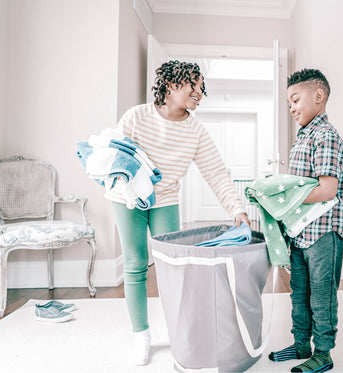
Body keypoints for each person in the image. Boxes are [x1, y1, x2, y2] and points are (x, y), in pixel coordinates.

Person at [105, 60, 250, 365]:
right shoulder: (136, 117)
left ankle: (180, 331)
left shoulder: (195, 131)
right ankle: (141, 336)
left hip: (166, 198)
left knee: (175, 265)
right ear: (171, 85)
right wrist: (129, 187)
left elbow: (216, 173)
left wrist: (237, 209)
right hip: (126, 195)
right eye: (193, 86)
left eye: (201, 88)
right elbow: (117, 159)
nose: (199, 93)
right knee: (134, 263)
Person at [268, 68, 343, 373]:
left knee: (321, 293)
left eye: (295, 99)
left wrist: (284, 195)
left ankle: (324, 352)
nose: (291, 107)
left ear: (318, 96)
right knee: (300, 290)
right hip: (301, 231)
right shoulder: (302, 138)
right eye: (288, 102)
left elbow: (327, 188)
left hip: (324, 231)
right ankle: (302, 342)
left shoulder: (326, 136)